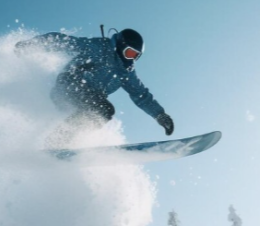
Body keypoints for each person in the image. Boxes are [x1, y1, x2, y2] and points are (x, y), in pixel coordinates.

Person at [15, 28, 174, 142]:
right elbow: (63, 41)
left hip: (86, 99)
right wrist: (31, 45)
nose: (131, 59)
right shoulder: (99, 48)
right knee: (102, 109)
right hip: (69, 84)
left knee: (102, 113)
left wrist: (159, 115)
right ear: (121, 45)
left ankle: (65, 140)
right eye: (129, 53)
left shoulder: (126, 72)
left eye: (135, 56)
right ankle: (58, 139)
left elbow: (141, 94)